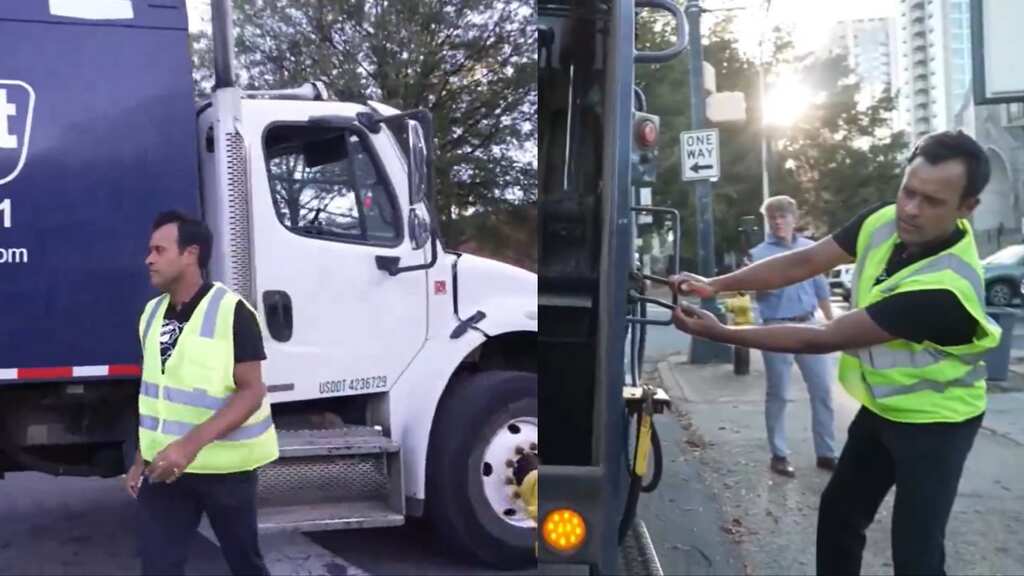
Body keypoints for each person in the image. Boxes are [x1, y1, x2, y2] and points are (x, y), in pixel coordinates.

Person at [669, 130, 999, 575]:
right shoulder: (882, 220)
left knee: (916, 555)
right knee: (840, 516)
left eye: (932, 201)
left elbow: (821, 338)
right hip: (884, 410)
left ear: (967, 207)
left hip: (939, 424)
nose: (910, 209)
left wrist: (725, 333)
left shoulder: (945, 289)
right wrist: (716, 284)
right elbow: (803, 262)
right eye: (908, 191)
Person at [124, 211, 279, 576]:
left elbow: (252, 391)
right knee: (158, 566)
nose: (148, 259)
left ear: (190, 254)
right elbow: (156, 393)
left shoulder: (232, 312)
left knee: (244, 563)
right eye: (149, 250)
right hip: (166, 470)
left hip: (226, 471)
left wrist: (189, 446)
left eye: (159, 250)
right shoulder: (151, 314)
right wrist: (141, 457)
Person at [749, 195, 837, 477]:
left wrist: (831, 324)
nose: (777, 222)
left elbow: (821, 289)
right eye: (772, 217)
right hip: (775, 328)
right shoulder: (758, 254)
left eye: (783, 216)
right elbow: (751, 292)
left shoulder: (810, 249)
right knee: (778, 393)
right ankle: (779, 454)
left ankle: (826, 453)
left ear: (793, 219)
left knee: (823, 391)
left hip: (809, 325)